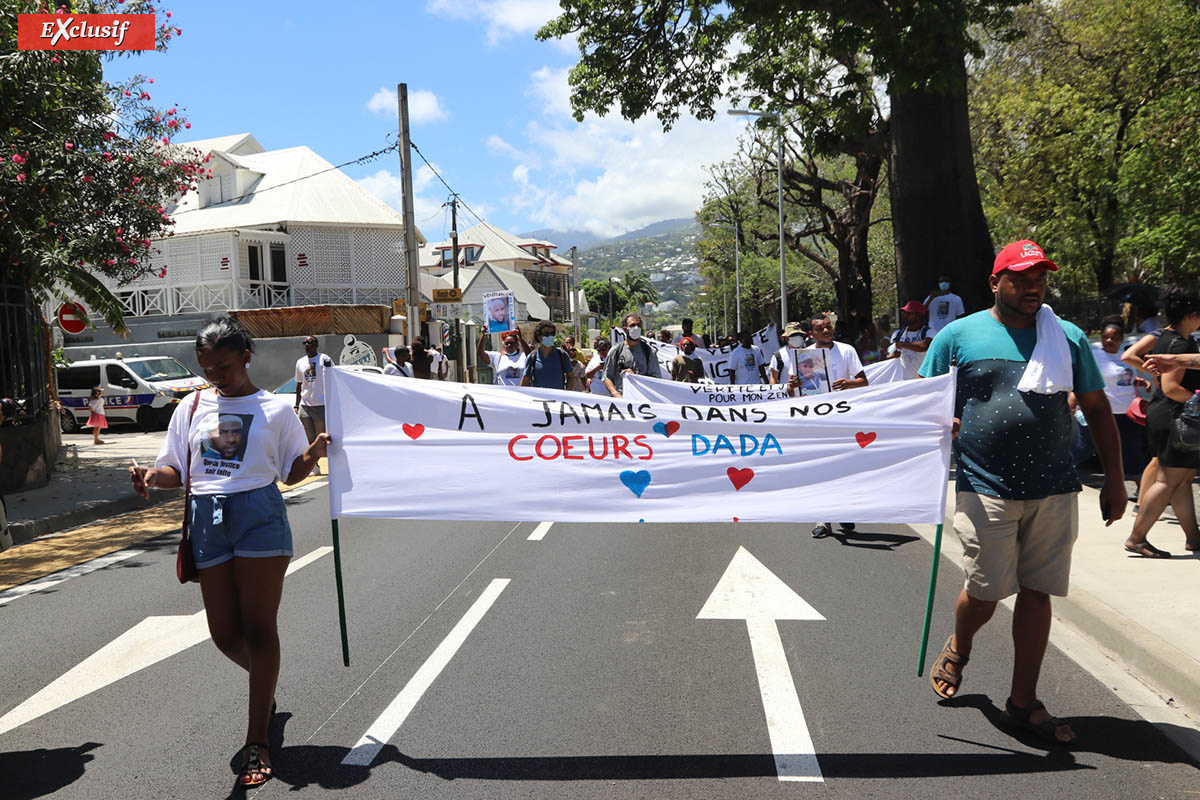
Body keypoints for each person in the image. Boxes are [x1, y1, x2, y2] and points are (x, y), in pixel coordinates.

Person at [920, 240, 1125, 746]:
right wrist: (939, 424)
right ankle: (961, 646)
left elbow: (1098, 410)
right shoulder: (957, 335)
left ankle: (1022, 701)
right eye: (1021, 277)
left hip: (1054, 487)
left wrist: (1117, 481)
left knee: (1038, 592)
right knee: (988, 590)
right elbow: (923, 404)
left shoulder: (1068, 336)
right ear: (996, 282)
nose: (1033, 285)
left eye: (1040, 277)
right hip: (985, 485)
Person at [129, 315, 327, 788]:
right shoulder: (192, 406)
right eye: (206, 366)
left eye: (224, 365)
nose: (215, 374)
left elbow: (289, 472)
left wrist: (314, 453)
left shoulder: (276, 410)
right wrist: (153, 479)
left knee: (260, 629)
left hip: (259, 514)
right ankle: (268, 689)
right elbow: (177, 467)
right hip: (206, 520)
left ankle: (257, 736)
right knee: (223, 635)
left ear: (246, 356)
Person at [1124, 286, 1200, 558]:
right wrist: (1197, 402)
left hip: (1167, 414)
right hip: (1175, 416)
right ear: (1191, 315)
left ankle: (1194, 538)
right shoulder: (1180, 343)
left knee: (1180, 479)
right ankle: (1137, 537)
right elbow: (1170, 387)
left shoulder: (1166, 337)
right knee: (1169, 480)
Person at [806, 314, 868, 538]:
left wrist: (848, 383)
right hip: (818, 421)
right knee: (822, 470)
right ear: (812, 334)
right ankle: (823, 518)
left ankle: (844, 509)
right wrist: (794, 384)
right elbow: (803, 387)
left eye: (828, 327)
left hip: (842, 419)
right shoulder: (806, 355)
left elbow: (863, 380)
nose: (825, 331)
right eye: (820, 329)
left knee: (844, 467)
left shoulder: (846, 350)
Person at [294, 336, 333, 475]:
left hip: (321, 404)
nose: (306, 345)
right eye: (304, 343)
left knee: (322, 436)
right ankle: (314, 466)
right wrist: (297, 404)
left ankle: (332, 464)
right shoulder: (300, 362)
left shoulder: (324, 359)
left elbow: (332, 379)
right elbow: (299, 385)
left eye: (309, 343)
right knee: (307, 437)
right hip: (305, 405)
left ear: (316, 344)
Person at [604, 313, 663, 397]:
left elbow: (655, 379)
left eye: (638, 325)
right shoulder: (615, 351)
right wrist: (616, 394)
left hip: (642, 398)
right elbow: (606, 377)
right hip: (621, 398)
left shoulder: (649, 352)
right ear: (625, 329)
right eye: (632, 325)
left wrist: (636, 377)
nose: (636, 328)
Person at [887, 301, 933, 380]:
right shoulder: (897, 334)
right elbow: (888, 355)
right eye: (905, 313)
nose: (905, 316)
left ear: (918, 315)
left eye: (909, 313)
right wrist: (892, 355)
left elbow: (924, 346)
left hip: (923, 381)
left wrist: (901, 345)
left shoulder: (930, 332)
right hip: (902, 382)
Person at [521, 321, 573, 389]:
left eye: (552, 334)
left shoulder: (562, 355)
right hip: (539, 398)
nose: (550, 336)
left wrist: (567, 394)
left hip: (558, 398)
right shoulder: (532, 357)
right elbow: (525, 379)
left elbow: (571, 377)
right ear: (538, 336)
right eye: (546, 334)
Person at [770, 322, 808, 392]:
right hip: (787, 398)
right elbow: (773, 379)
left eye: (800, 335)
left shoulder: (808, 353)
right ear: (787, 338)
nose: (798, 337)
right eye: (794, 335)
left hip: (806, 395)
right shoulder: (779, 356)